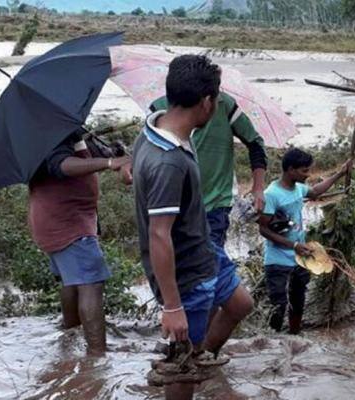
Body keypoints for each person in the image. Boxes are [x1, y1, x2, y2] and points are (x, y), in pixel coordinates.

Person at [132, 54, 253, 399]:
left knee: (241, 304)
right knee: (181, 371)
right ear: (206, 102)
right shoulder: (169, 162)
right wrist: (172, 306)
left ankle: (200, 361)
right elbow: (158, 234)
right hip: (187, 275)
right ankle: (189, 369)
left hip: (206, 252)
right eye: (216, 100)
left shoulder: (157, 127)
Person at [28, 130, 131, 356]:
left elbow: (88, 153)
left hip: (59, 219)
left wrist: (113, 152)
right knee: (91, 285)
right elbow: (62, 165)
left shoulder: (68, 129)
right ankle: (96, 356)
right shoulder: (51, 133)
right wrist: (110, 162)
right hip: (68, 223)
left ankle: (72, 338)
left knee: (71, 282)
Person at [149, 89, 268, 249]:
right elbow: (150, 149)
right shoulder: (160, 107)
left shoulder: (224, 104)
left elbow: (254, 142)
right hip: (173, 205)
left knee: (210, 261)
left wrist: (258, 188)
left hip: (215, 204)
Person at [258, 148, 352, 334]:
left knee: (298, 299)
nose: (308, 175)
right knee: (278, 304)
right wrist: (293, 245)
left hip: (301, 256)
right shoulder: (271, 194)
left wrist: (340, 173)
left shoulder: (298, 189)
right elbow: (263, 229)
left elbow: (316, 192)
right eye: (304, 171)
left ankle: (295, 335)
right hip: (278, 259)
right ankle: (272, 342)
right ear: (290, 169)